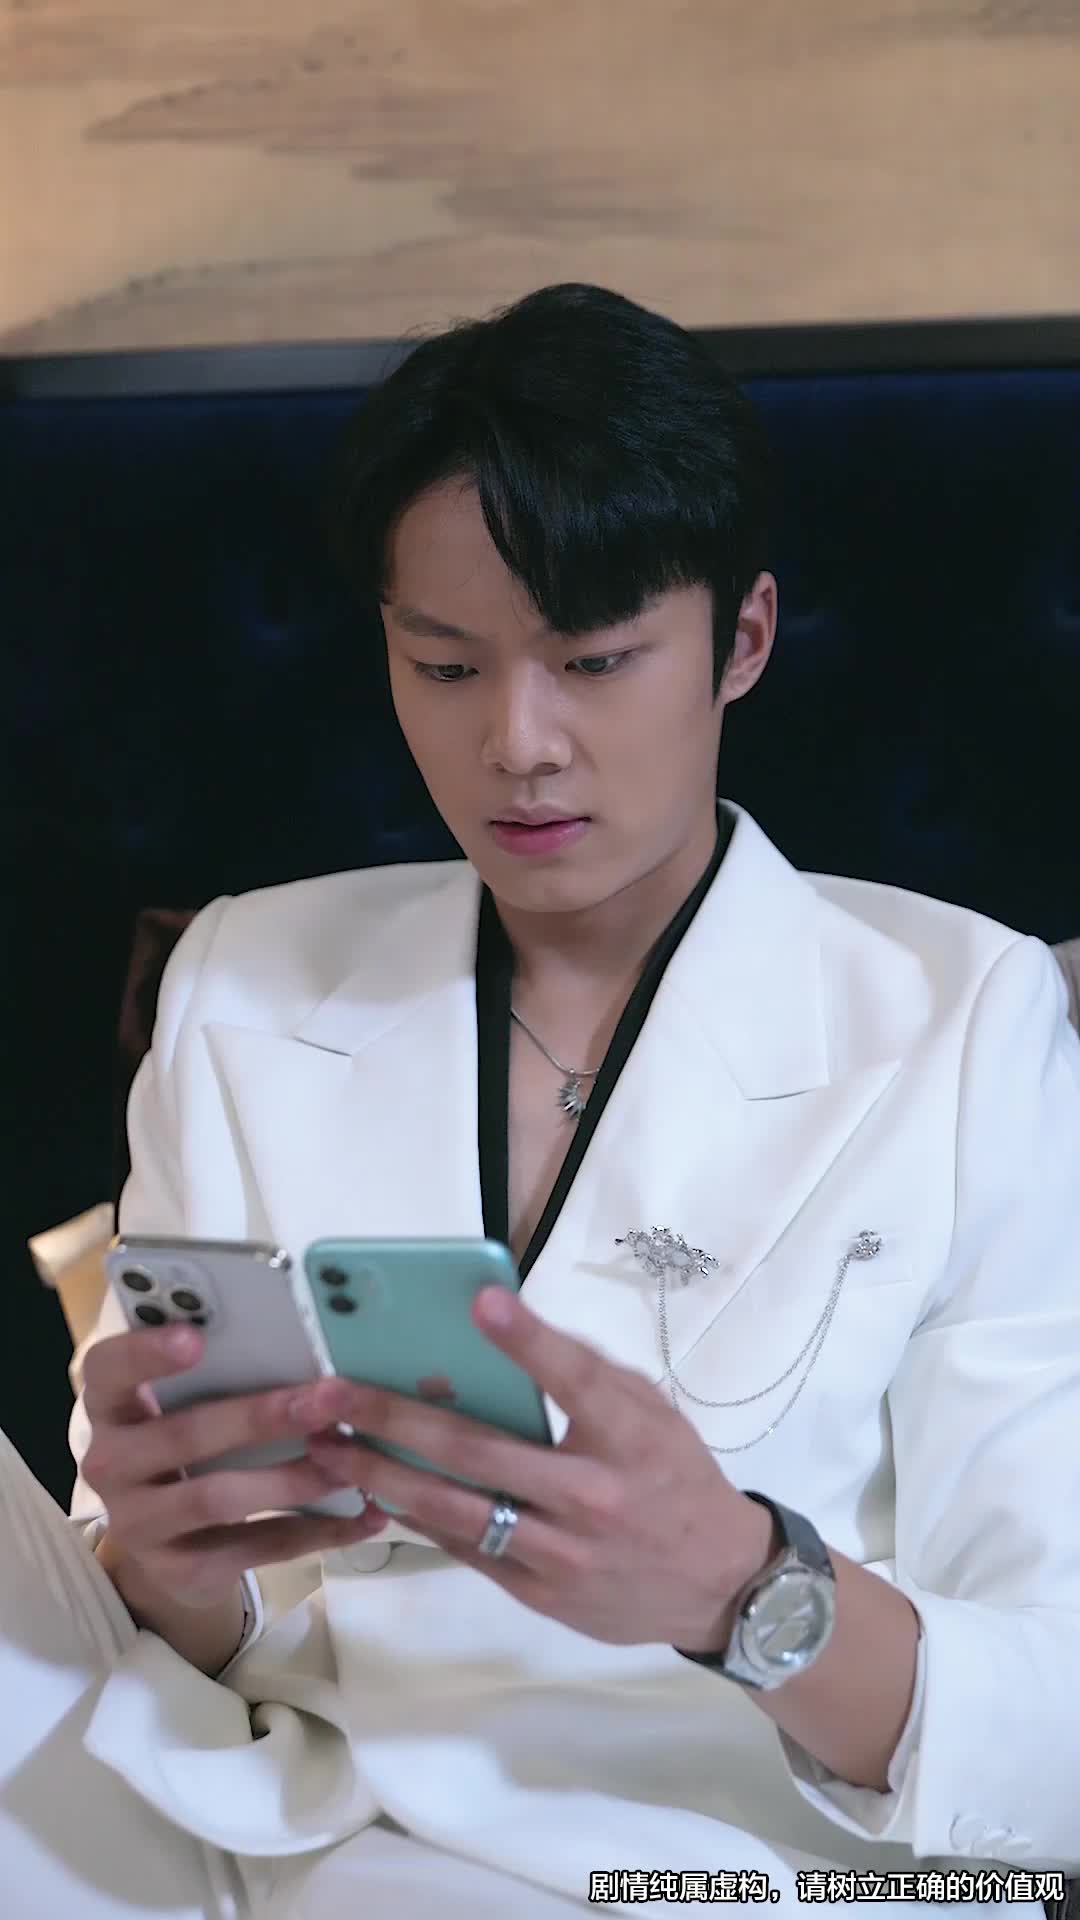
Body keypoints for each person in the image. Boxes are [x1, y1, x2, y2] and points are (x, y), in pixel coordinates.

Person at [4, 283, 1080, 1920]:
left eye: (594, 662)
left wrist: (743, 1588)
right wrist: (160, 1561)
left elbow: (1055, 1732)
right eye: (445, 665)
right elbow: (186, 1631)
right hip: (265, 1831)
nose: (519, 743)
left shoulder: (965, 1019)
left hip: (727, 1868)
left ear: (743, 641)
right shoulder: (243, 982)